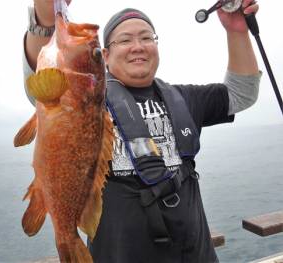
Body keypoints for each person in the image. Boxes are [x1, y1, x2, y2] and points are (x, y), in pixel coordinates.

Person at [22, 0, 261, 262]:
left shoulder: (185, 98)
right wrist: (46, 19)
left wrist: (237, 31)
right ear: (106, 54)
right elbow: (42, 78)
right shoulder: (82, 98)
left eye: (147, 37)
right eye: (124, 40)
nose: (138, 46)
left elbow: (242, 94)